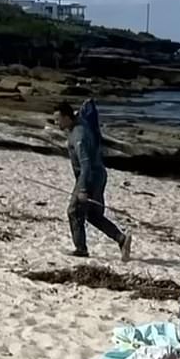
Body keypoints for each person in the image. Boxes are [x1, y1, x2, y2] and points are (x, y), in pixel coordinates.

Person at [56, 100, 131, 261]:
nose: (56, 123)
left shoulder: (79, 137)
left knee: (74, 212)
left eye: (58, 119)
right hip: (99, 175)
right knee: (93, 215)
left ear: (67, 118)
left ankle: (81, 249)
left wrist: (83, 189)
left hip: (89, 177)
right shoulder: (79, 123)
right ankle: (121, 239)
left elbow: (85, 164)